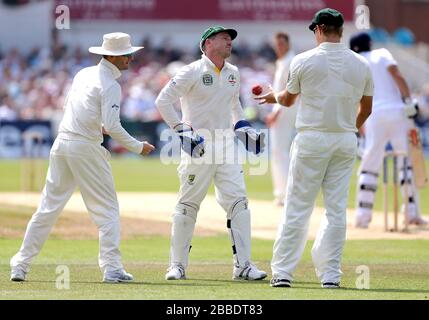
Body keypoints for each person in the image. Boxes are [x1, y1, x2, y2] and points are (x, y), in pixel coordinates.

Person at [10, 33, 155, 283]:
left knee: (47, 209)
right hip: (85, 148)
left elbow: (76, 110)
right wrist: (137, 147)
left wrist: (95, 127)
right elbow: (112, 125)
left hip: (62, 144)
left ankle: (20, 264)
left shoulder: (83, 74)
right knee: (107, 210)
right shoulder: (111, 85)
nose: (130, 58)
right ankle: (111, 268)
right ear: (110, 56)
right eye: (126, 54)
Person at [256, 8, 373, 288]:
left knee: (297, 207)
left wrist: (274, 97)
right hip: (345, 139)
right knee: (336, 210)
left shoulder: (303, 60)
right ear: (341, 30)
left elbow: (288, 100)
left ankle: (283, 272)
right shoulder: (361, 63)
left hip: (312, 139)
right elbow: (366, 109)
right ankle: (330, 275)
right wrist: (348, 128)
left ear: (319, 29)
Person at [155, 25, 267, 281]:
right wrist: (182, 130)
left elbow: (235, 107)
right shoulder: (191, 71)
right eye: (224, 38)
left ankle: (244, 266)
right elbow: (163, 100)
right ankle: (177, 266)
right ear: (208, 43)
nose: (230, 41)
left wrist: (245, 130)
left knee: (239, 204)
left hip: (227, 145)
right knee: (187, 206)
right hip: (199, 145)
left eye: (231, 38)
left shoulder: (233, 73)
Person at [350, 32, 428, 228]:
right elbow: (396, 73)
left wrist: (361, 125)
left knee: (370, 163)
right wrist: (409, 100)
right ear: (370, 43)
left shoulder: (356, 64)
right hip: (397, 113)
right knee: (406, 162)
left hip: (373, 116)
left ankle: (362, 216)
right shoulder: (382, 53)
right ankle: (411, 214)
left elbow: (358, 97)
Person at [264, 32, 298, 206]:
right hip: (285, 106)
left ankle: (284, 194)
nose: (280, 47)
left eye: (282, 43)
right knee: (280, 151)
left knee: (279, 151)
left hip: (286, 107)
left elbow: (289, 89)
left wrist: (275, 112)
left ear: (288, 43)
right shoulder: (282, 61)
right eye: (277, 44)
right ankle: (282, 193)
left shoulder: (290, 61)